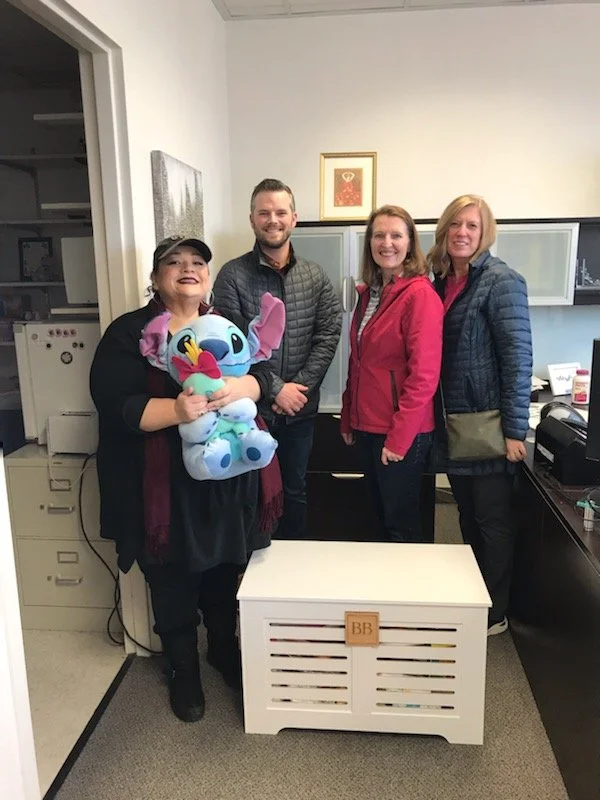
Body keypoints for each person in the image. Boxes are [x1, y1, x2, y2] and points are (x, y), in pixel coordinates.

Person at [90, 235, 280, 723]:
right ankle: (184, 669)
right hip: (163, 491)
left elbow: (265, 376)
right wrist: (177, 409)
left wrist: (242, 385)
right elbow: (115, 406)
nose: (187, 268)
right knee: (172, 579)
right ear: (155, 278)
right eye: (173, 263)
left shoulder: (225, 324)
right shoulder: (130, 333)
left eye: (197, 262)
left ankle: (221, 648)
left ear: (209, 276)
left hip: (224, 482)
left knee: (222, 570)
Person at [213, 178, 342, 540]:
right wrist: (276, 389)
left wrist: (297, 389)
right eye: (264, 212)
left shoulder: (314, 276)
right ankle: (255, 576)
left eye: (281, 212)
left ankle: (293, 573)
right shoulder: (232, 275)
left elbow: (328, 332)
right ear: (252, 220)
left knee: (295, 491)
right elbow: (231, 345)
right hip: (249, 411)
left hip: (300, 409)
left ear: (294, 218)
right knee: (253, 493)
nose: (273, 219)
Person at [428, 194, 533, 636]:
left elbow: (517, 357)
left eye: (471, 225)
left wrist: (514, 430)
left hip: (487, 426)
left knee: (491, 521)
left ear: (484, 231)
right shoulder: (439, 281)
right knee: (466, 516)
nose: (462, 233)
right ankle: (476, 598)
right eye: (455, 224)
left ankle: (495, 611)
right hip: (454, 425)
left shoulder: (501, 281)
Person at [339, 205, 443, 544]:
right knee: (378, 522)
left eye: (396, 235)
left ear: (410, 243)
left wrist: (400, 438)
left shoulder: (419, 295)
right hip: (368, 426)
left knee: (401, 527)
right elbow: (359, 362)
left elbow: (424, 376)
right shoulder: (370, 293)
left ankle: (408, 596)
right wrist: (348, 416)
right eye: (379, 235)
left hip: (400, 431)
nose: (387, 243)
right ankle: (381, 595)